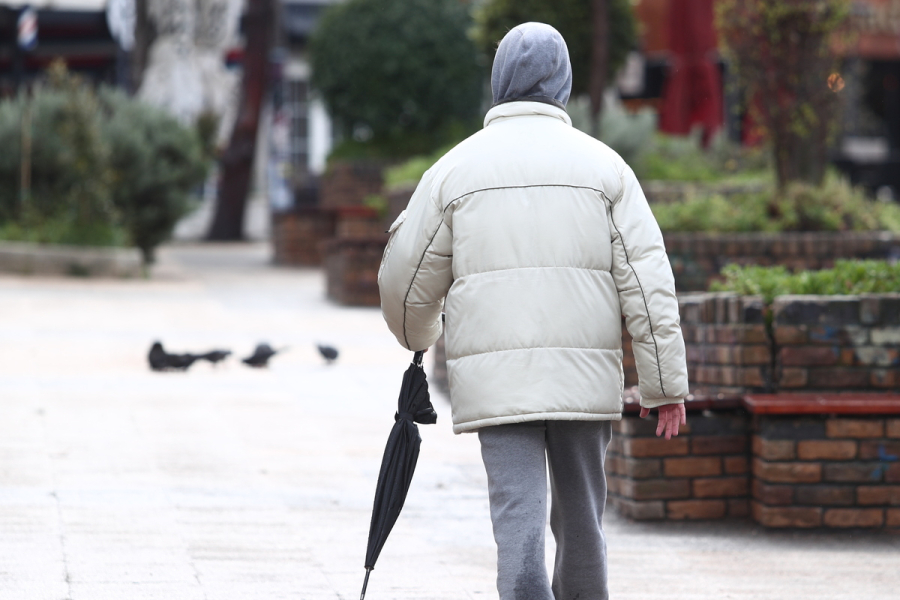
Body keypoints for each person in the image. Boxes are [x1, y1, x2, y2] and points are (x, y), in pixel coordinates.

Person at [378, 22, 688, 600]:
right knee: (582, 525)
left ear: (498, 83)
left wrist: (415, 335)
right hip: (583, 381)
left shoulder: (454, 171)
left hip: (499, 385)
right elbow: (650, 285)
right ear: (565, 84)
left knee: (517, 526)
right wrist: (664, 384)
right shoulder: (607, 170)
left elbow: (404, 279)